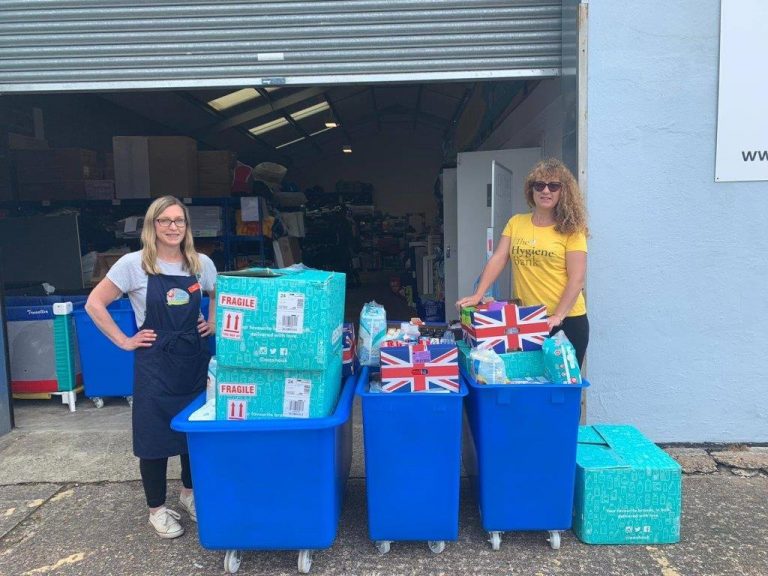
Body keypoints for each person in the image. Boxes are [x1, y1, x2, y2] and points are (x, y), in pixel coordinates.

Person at [85, 195, 217, 539]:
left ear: (186, 226)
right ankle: (156, 510)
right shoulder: (133, 264)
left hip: (194, 358)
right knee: (153, 437)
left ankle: (189, 494)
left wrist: (213, 322)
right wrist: (124, 340)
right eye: (165, 220)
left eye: (179, 220)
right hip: (156, 363)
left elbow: (218, 293)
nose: (173, 227)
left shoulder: (200, 262)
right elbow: (94, 303)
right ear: (152, 225)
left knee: (193, 432)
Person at [456, 158, 590, 367]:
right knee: (528, 380)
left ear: (563, 191)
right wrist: (478, 294)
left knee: (561, 385)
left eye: (553, 186)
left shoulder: (571, 230)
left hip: (567, 321)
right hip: (528, 320)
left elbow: (577, 279)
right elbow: (499, 258)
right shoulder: (516, 223)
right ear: (531, 190)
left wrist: (558, 316)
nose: (546, 191)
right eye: (539, 185)